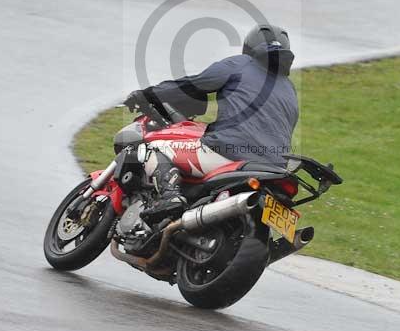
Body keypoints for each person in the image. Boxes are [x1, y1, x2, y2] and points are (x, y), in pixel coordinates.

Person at [123, 24, 298, 223]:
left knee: (150, 147)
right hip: (275, 168)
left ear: (249, 48)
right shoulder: (289, 89)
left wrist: (147, 95)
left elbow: (192, 85)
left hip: (229, 152)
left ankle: (169, 197)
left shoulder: (241, 64)